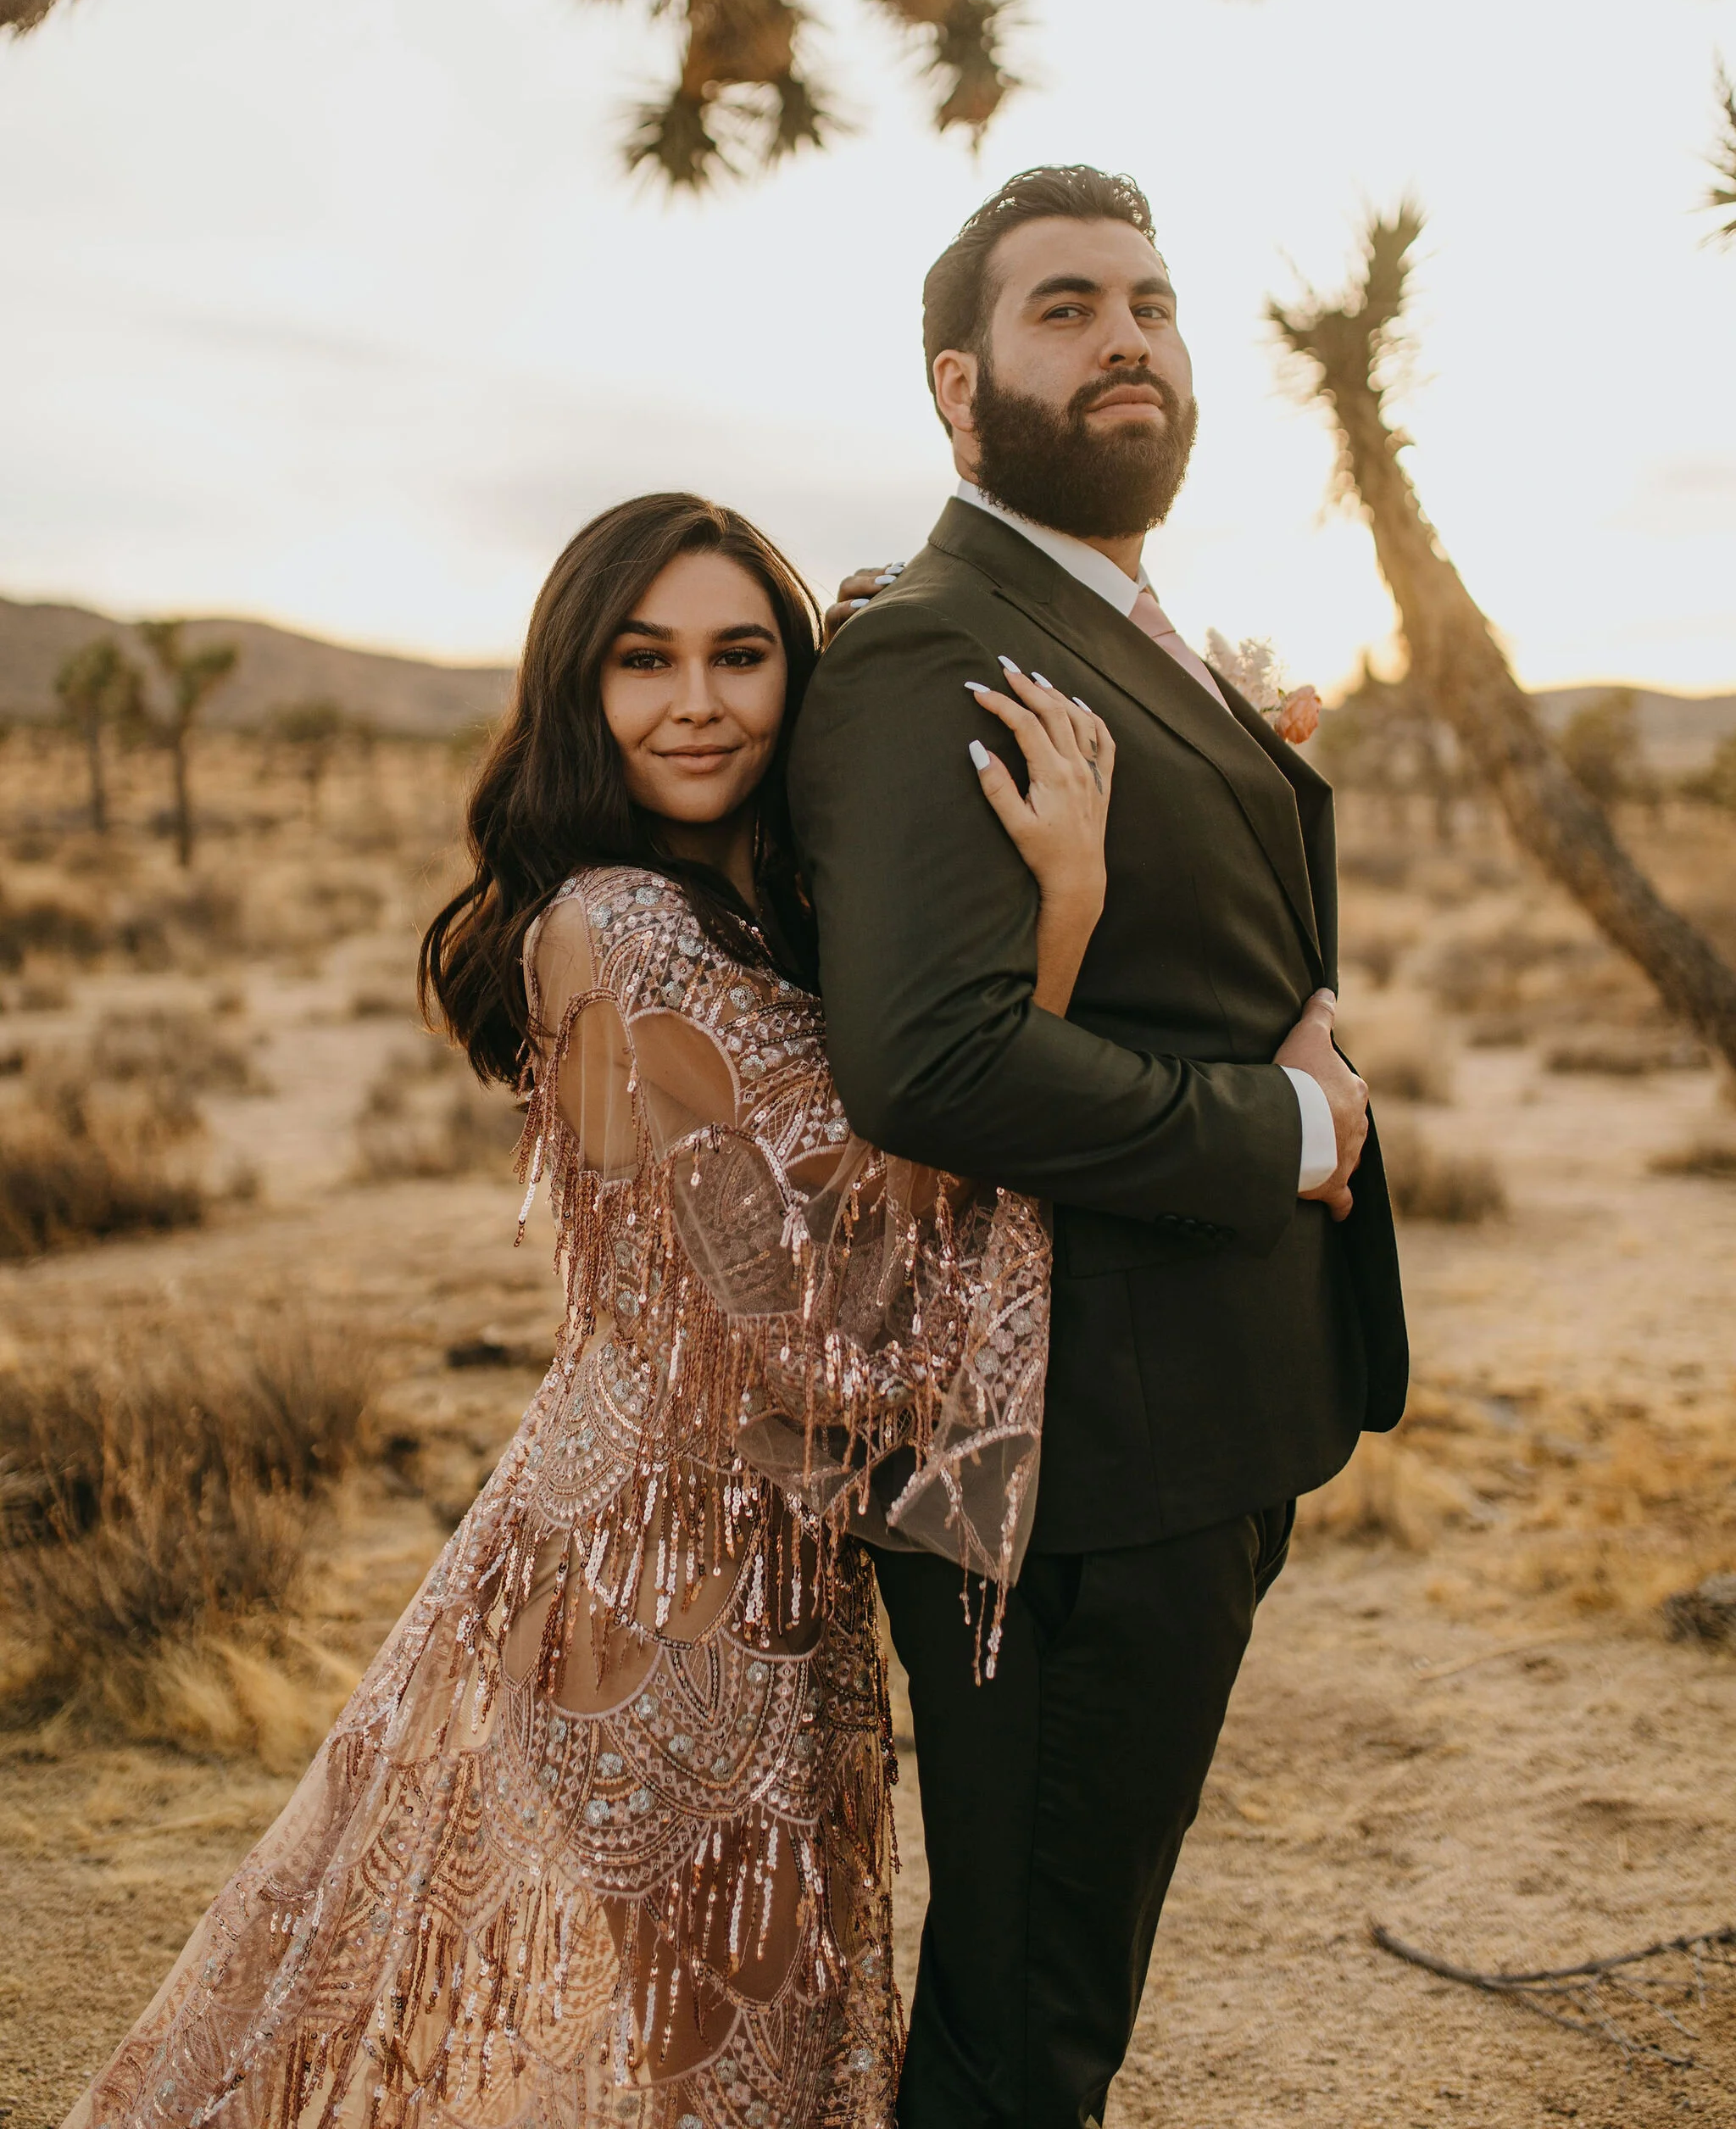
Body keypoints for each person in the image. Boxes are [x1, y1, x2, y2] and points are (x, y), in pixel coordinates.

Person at [63, 492, 1112, 2129]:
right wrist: (1056, 934)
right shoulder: (616, 928)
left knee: (752, 2049)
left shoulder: (759, 922)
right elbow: (824, 1283)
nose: (697, 700)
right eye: (646, 660)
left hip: (754, 1578)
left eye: (742, 655)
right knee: (723, 2073)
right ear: (580, 686)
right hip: (653, 1600)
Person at [789, 164, 1408, 2129]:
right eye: (1065, 309)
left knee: (1059, 1982)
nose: (1125, 334)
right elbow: (932, 1062)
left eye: (1147, 301)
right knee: (1027, 2017)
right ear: (958, 393)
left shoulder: (1103, 620)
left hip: (1187, 1426)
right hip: (1067, 1474)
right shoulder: (928, 650)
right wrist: (1288, 1123)